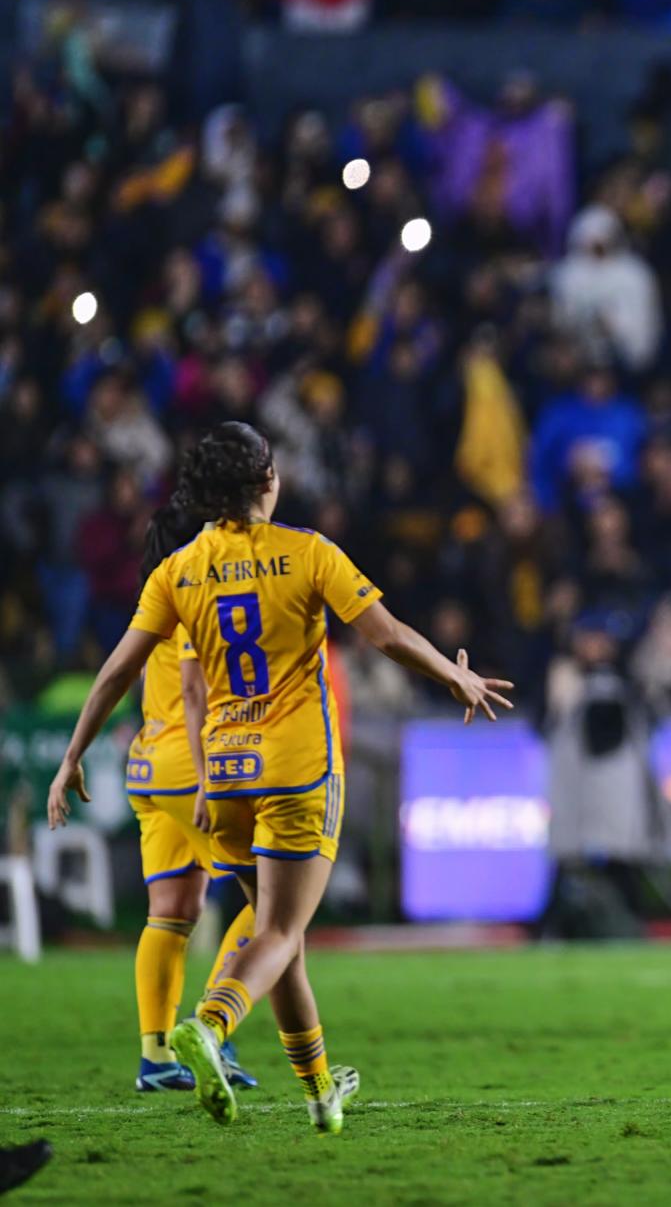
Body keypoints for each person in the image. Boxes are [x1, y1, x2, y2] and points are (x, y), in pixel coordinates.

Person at [48, 422, 514, 1133]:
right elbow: (386, 634)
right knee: (281, 931)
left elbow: (117, 669)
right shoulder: (307, 552)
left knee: (276, 935)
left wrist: (72, 754)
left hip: (226, 775)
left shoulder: (178, 569)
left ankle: (322, 1092)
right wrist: (455, 675)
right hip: (296, 771)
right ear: (268, 478)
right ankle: (210, 1023)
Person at [101, 495, 262, 1093]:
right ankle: (216, 1028)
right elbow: (198, 692)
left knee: (170, 913)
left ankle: (156, 1057)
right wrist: (207, 774)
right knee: (274, 902)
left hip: (148, 767)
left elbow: (123, 674)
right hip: (193, 767)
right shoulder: (200, 590)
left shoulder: (155, 595)